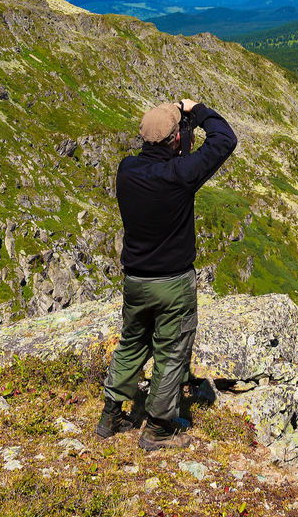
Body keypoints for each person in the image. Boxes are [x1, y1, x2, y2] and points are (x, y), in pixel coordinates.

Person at [95, 97, 237, 451]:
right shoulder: (181, 174)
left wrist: (176, 128)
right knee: (172, 353)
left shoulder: (126, 169)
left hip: (135, 282)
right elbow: (225, 140)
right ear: (176, 139)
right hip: (172, 283)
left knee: (131, 344)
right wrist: (197, 110)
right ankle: (158, 427)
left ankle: (110, 414)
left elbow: (157, 157)